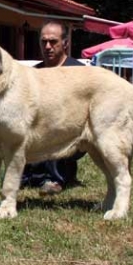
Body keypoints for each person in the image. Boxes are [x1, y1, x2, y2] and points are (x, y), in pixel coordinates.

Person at [21, 20, 86, 195]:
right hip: (38, 130)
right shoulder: (34, 73)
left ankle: (55, 180)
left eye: (53, 41)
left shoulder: (79, 72)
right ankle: (24, 177)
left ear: (65, 43)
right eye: (44, 42)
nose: (48, 46)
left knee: (55, 127)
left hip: (71, 133)